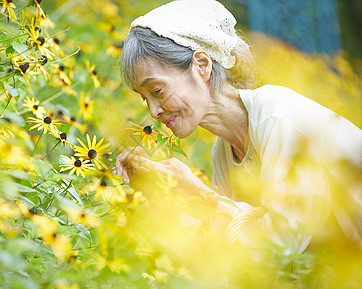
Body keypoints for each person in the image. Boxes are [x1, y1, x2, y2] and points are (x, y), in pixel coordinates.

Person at [114, 0, 362, 252]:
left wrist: (198, 190)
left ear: (201, 65)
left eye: (157, 90)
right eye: (145, 98)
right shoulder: (224, 152)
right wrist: (163, 192)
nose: (153, 111)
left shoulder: (276, 116)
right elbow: (233, 250)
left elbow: (281, 248)